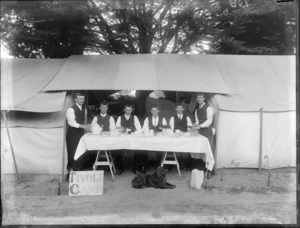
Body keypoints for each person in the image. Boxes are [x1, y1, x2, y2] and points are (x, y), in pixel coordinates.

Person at [71, 101, 116, 171]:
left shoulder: (111, 118)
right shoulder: (96, 118)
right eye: (102, 107)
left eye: (105, 108)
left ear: (107, 108)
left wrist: (105, 132)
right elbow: (91, 128)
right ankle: (84, 165)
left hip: (106, 139)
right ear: (100, 108)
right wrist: (95, 130)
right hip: (97, 140)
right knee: (88, 147)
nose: (104, 109)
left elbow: (112, 130)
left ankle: (111, 166)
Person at [189, 92, 214, 178]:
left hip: (207, 131)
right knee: (200, 150)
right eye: (198, 98)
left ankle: (209, 170)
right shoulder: (197, 110)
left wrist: (200, 126)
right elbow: (197, 120)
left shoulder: (209, 108)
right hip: (200, 132)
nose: (199, 99)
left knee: (208, 151)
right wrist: (195, 125)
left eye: (201, 98)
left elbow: (209, 121)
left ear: (204, 99)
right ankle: (201, 168)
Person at [66, 92, 91, 175]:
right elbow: (71, 123)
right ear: (75, 99)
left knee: (82, 151)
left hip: (81, 133)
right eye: (79, 98)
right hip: (72, 134)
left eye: (82, 98)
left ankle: (77, 169)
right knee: (72, 153)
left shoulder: (85, 110)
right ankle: (71, 173)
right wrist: (84, 126)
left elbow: (83, 122)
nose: (81, 100)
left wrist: (87, 129)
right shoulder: (71, 109)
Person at [115, 104, 142, 175]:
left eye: (130, 110)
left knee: (137, 147)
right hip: (122, 137)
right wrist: (121, 129)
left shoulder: (134, 117)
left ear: (131, 110)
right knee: (116, 148)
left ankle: (135, 167)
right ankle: (119, 167)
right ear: (124, 110)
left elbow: (139, 128)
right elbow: (117, 128)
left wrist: (134, 130)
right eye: (127, 109)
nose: (128, 111)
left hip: (132, 137)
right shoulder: (120, 117)